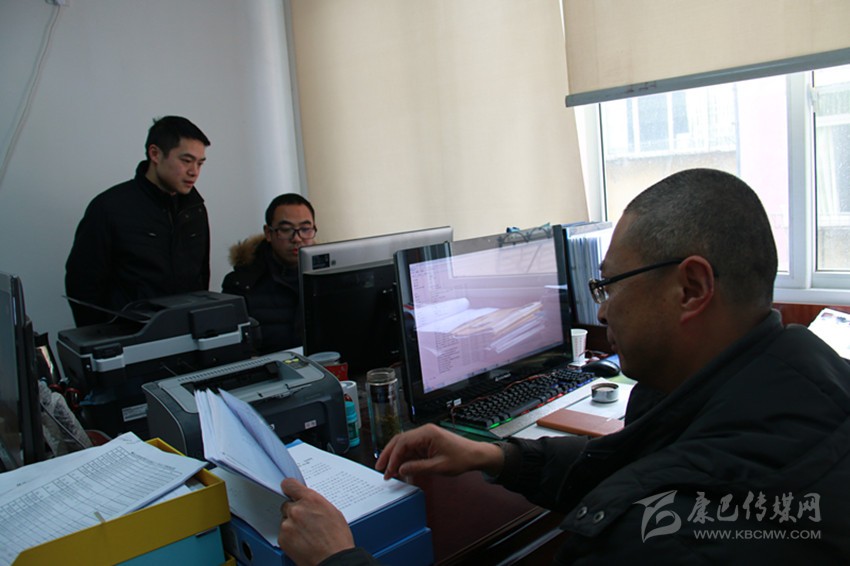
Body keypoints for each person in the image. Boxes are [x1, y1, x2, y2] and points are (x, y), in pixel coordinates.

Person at [275, 168, 850, 564]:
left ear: (691, 289)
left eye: (611, 284)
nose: (602, 308)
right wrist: (498, 456)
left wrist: (337, 561)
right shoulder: (803, 378)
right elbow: (635, 463)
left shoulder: (662, 541)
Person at [65, 116, 211, 327]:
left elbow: (201, 276)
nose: (194, 172)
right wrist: (106, 337)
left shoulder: (195, 209)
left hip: (184, 333)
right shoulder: (110, 207)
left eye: (200, 163)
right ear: (155, 154)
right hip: (129, 336)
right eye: (186, 161)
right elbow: (82, 285)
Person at [222, 193, 317, 354]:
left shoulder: (327, 277)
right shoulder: (241, 283)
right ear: (268, 233)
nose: (297, 238)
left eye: (306, 229)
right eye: (286, 230)